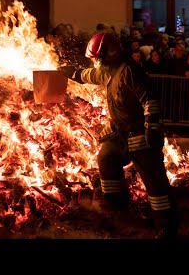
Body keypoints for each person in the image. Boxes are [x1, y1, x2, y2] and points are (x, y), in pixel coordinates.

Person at [58, 32, 178, 239]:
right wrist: (69, 72)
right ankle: (118, 210)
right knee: (106, 158)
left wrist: (153, 129)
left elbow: (150, 99)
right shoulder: (107, 71)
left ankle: (165, 226)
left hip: (140, 134)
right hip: (118, 133)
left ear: (108, 54)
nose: (95, 63)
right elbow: (87, 76)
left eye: (97, 59)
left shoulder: (130, 71)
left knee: (154, 182)